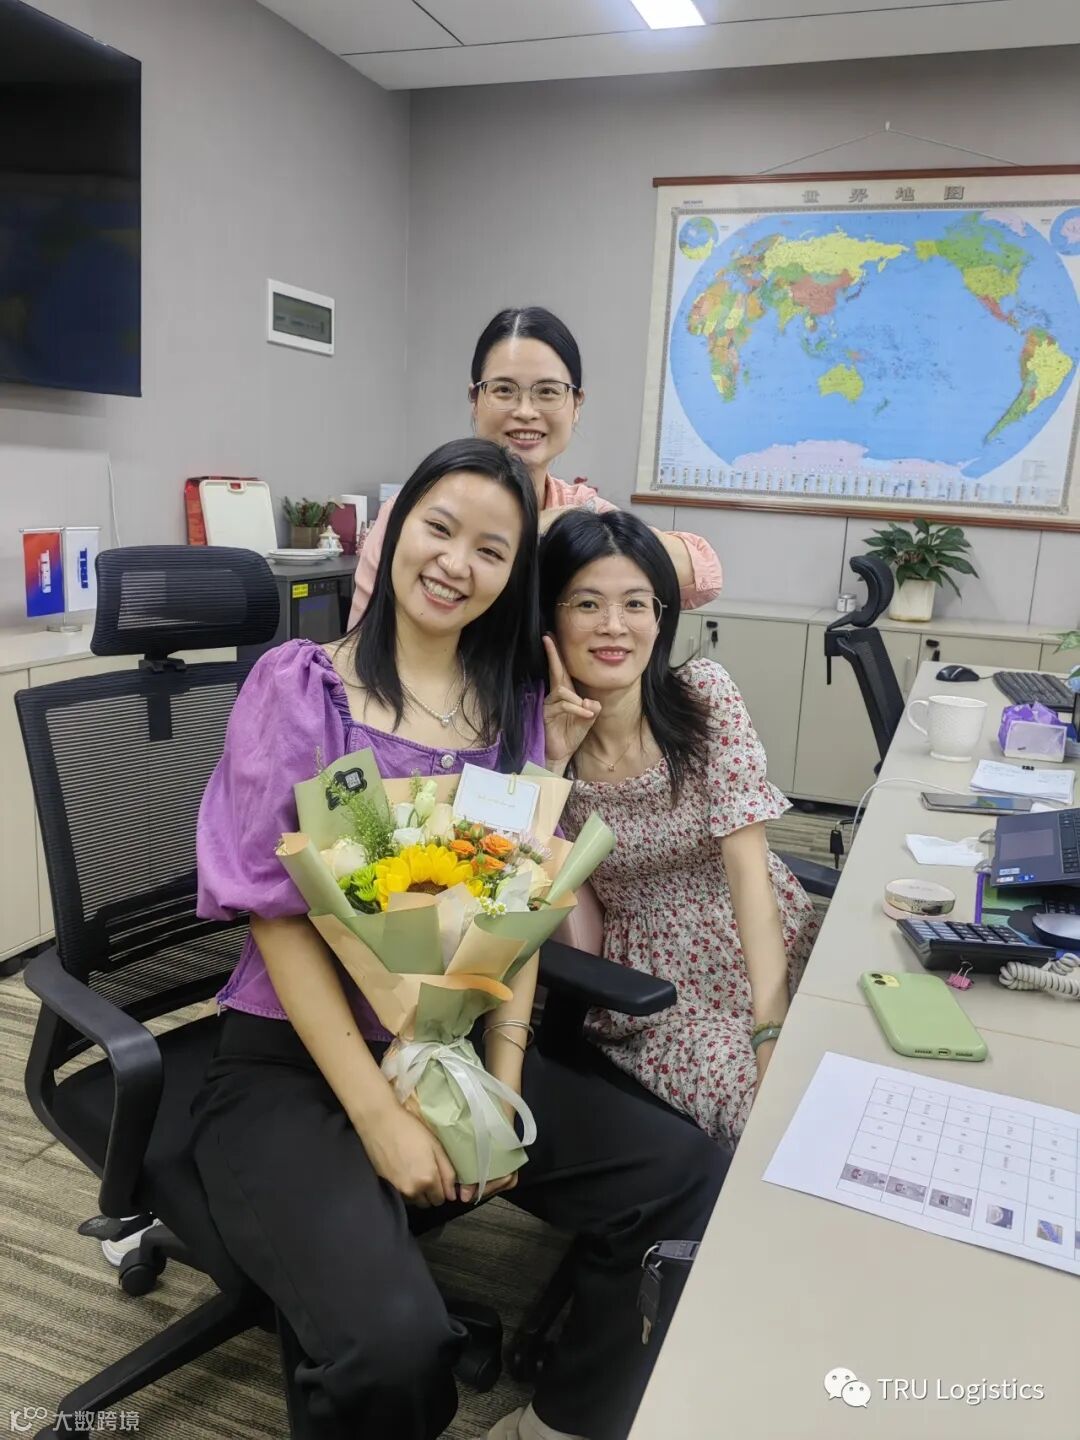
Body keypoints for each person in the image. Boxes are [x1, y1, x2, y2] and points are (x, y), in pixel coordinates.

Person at [193, 438, 728, 1440]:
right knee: (394, 1349)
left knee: (685, 1176)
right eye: (439, 529)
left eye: (491, 549)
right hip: (295, 1062)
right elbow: (279, 917)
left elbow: (509, 916)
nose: (455, 563)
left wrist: (504, 1090)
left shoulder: (511, 713)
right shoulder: (301, 687)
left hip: (454, 1044)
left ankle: (563, 1420)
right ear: (396, 532)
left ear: (513, 577)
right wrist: (379, 1115)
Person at [539, 508, 820, 1149]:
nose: (614, 626)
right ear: (551, 617)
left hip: (766, 941)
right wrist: (552, 760)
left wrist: (770, 1029)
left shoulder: (702, 695)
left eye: (635, 604)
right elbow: (514, 880)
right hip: (661, 988)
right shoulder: (537, 732)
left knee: (841, 1073)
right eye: (588, 603)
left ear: (660, 618)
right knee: (770, 1122)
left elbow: (749, 873)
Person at [348, 306, 722, 625]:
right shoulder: (416, 511)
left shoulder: (578, 510)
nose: (525, 411)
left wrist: (563, 524)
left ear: (576, 405)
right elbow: (364, 645)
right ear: (474, 400)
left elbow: (703, 570)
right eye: (504, 389)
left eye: (547, 391)